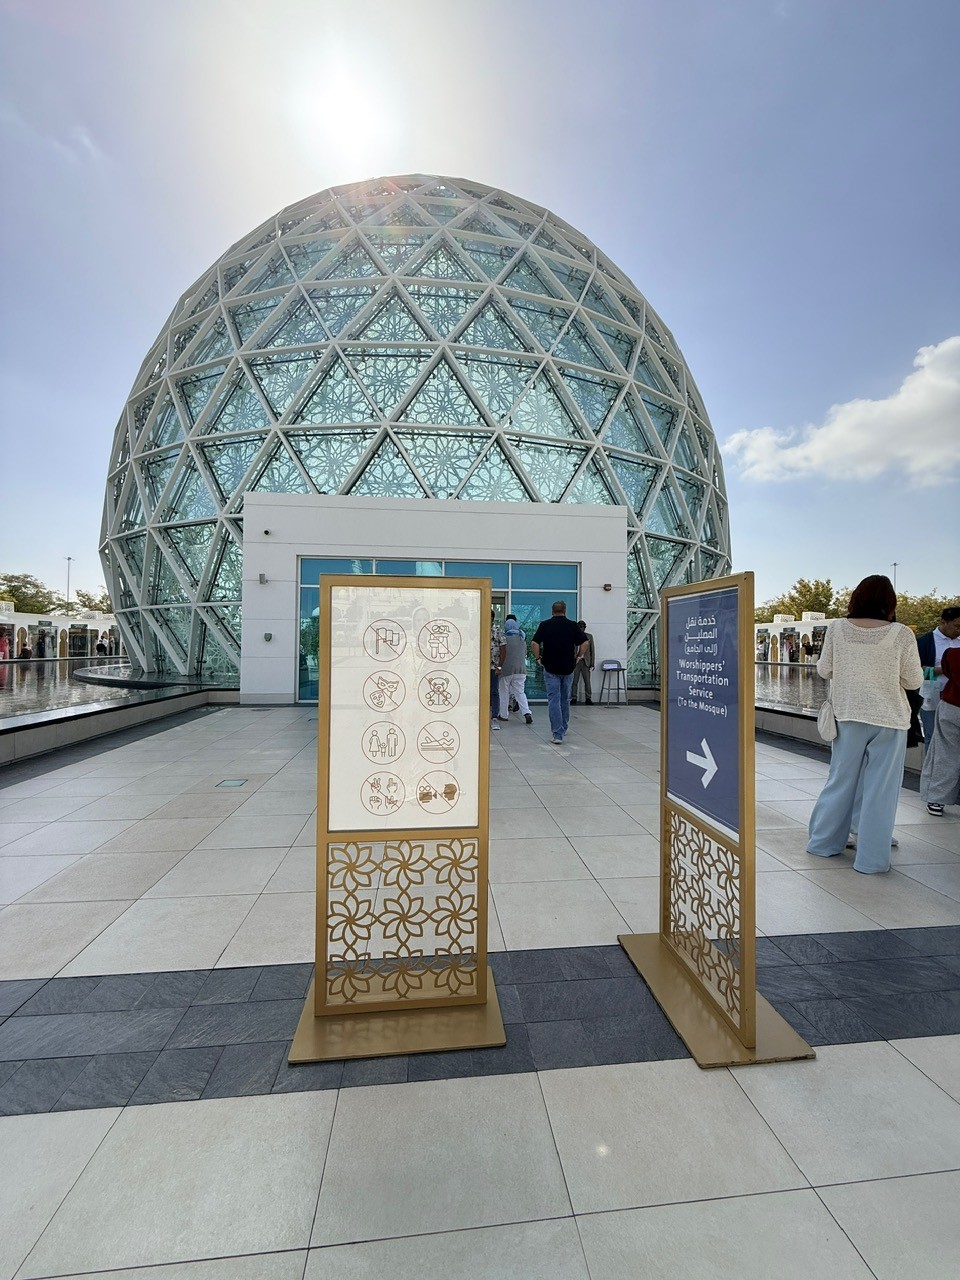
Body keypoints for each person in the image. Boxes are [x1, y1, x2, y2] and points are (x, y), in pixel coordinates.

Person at [806, 575, 922, 874]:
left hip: (848, 716)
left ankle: (823, 844)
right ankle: (871, 860)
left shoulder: (837, 628)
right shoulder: (901, 634)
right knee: (880, 791)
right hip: (890, 719)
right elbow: (913, 680)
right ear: (890, 602)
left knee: (840, 781)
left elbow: (824, 669)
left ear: (855, 598)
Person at [531, 600, 589, 745]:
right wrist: (579, 656)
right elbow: (585, 642)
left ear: (552, 611)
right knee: (565, 699)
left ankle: (557, 733)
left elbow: (534, 643)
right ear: (565, 611)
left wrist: (538, 658)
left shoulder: (545, 625)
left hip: (550, 668)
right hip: (568, 667)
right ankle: (564, 726)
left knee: (554, 700)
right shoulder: (572, 625)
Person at [920, 646, 959, 816]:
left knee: (945, 753)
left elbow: (949, 672)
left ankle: (937, 799)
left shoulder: (952, 654)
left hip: (952, 706)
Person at [916, 607, 960, 747]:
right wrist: (944, 670)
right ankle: (931, 768)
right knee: (932, 736)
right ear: (944, 622)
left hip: (956, 697)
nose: (959, 631)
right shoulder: (925, 641)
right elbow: (916, 669)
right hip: (932, 695)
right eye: (957, 626)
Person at [498, 618, 533, 725]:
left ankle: (503, 715)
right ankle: (526, 712)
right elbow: (525, 653)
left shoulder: (504, 638)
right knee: (520, 692)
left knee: (504, 692)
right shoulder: (522, 638)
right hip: (521, 670)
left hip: (506, 670)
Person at [570, 619, 595, 705]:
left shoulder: (589, 636)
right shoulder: (573, 636)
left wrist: (592, 663)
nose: (582, 628)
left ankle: (588, 698)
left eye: (583, 627)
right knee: (574, 681)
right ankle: (574, 697)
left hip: (585, 661)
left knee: (587, 681)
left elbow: (592, 650)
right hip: (576, 661)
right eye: (580, 627)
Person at [489, 609, 504, 732]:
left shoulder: (498, 631)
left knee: (494, 691)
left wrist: (500, 666)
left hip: (494, 666)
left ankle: (494, 717)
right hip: (480, 668)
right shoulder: (478, 628)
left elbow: (503, 649)